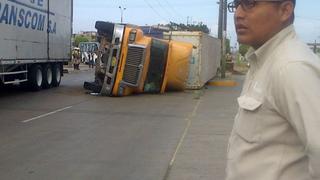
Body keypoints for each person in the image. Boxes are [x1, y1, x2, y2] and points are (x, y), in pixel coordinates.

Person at [226, 0, 320, 180]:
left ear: (285, 10)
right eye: (236, 4)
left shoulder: (292, 67)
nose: (237, 13)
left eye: (249, 3)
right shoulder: (263, 61)